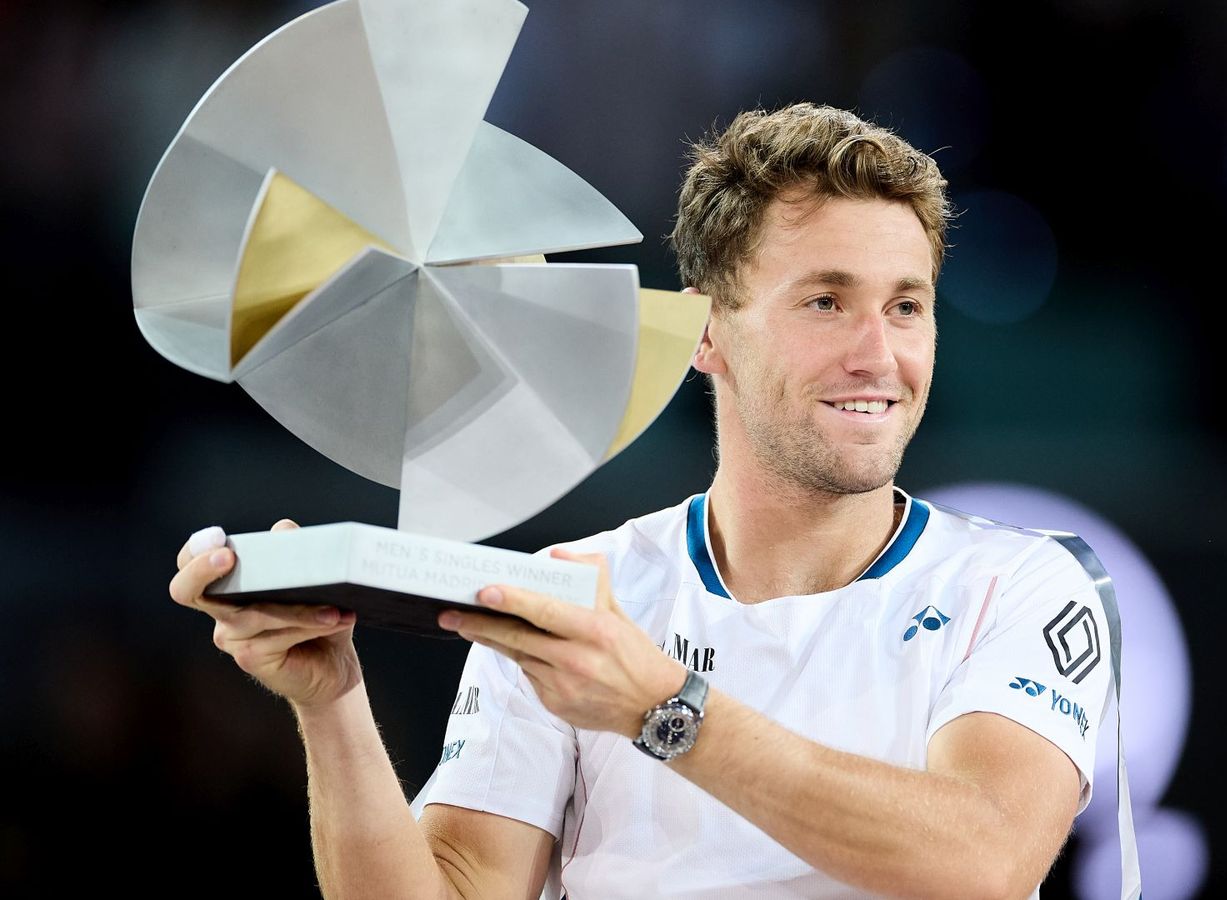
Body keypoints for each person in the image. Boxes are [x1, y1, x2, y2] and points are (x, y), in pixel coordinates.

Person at [169, 102, 1121, 899]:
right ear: (706, 331)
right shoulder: (576, 595)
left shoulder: (1021, 585)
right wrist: (330, 703)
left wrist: (660, 707)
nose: (879, 355)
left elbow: (984, 860)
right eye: (825, 302)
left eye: (906, 306)